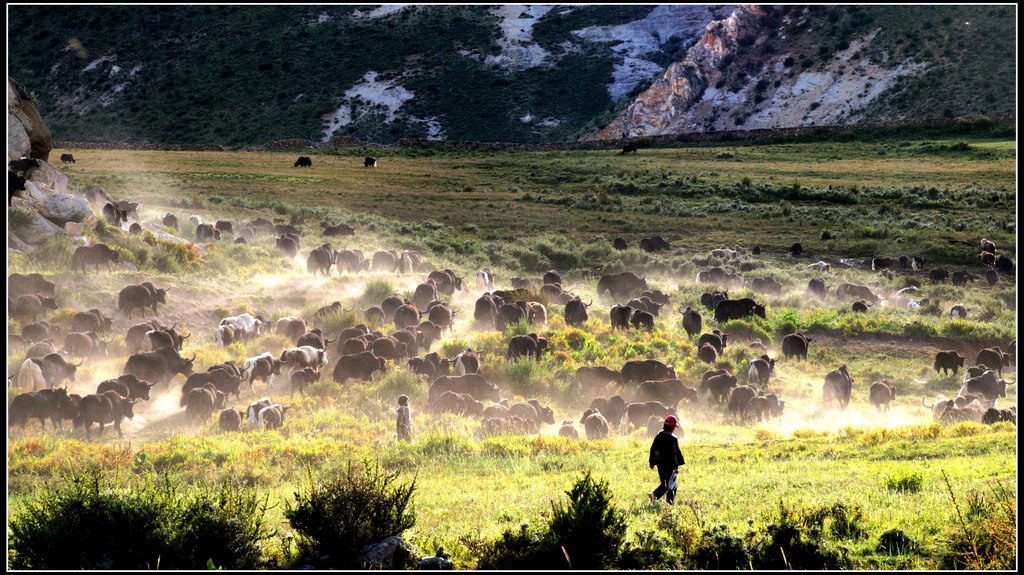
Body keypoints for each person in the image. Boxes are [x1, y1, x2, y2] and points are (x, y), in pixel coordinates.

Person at [648, 415, 684, 504]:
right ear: (672, 427)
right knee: (672, 485)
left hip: (660, 464)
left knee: (665, 483)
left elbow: (653, 449)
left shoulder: (658, 436)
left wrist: (652, 462)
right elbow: (675, 454)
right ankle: (668, 502)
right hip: (670, 465)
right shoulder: (673, 438)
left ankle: (655, 496)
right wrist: (676, 467)